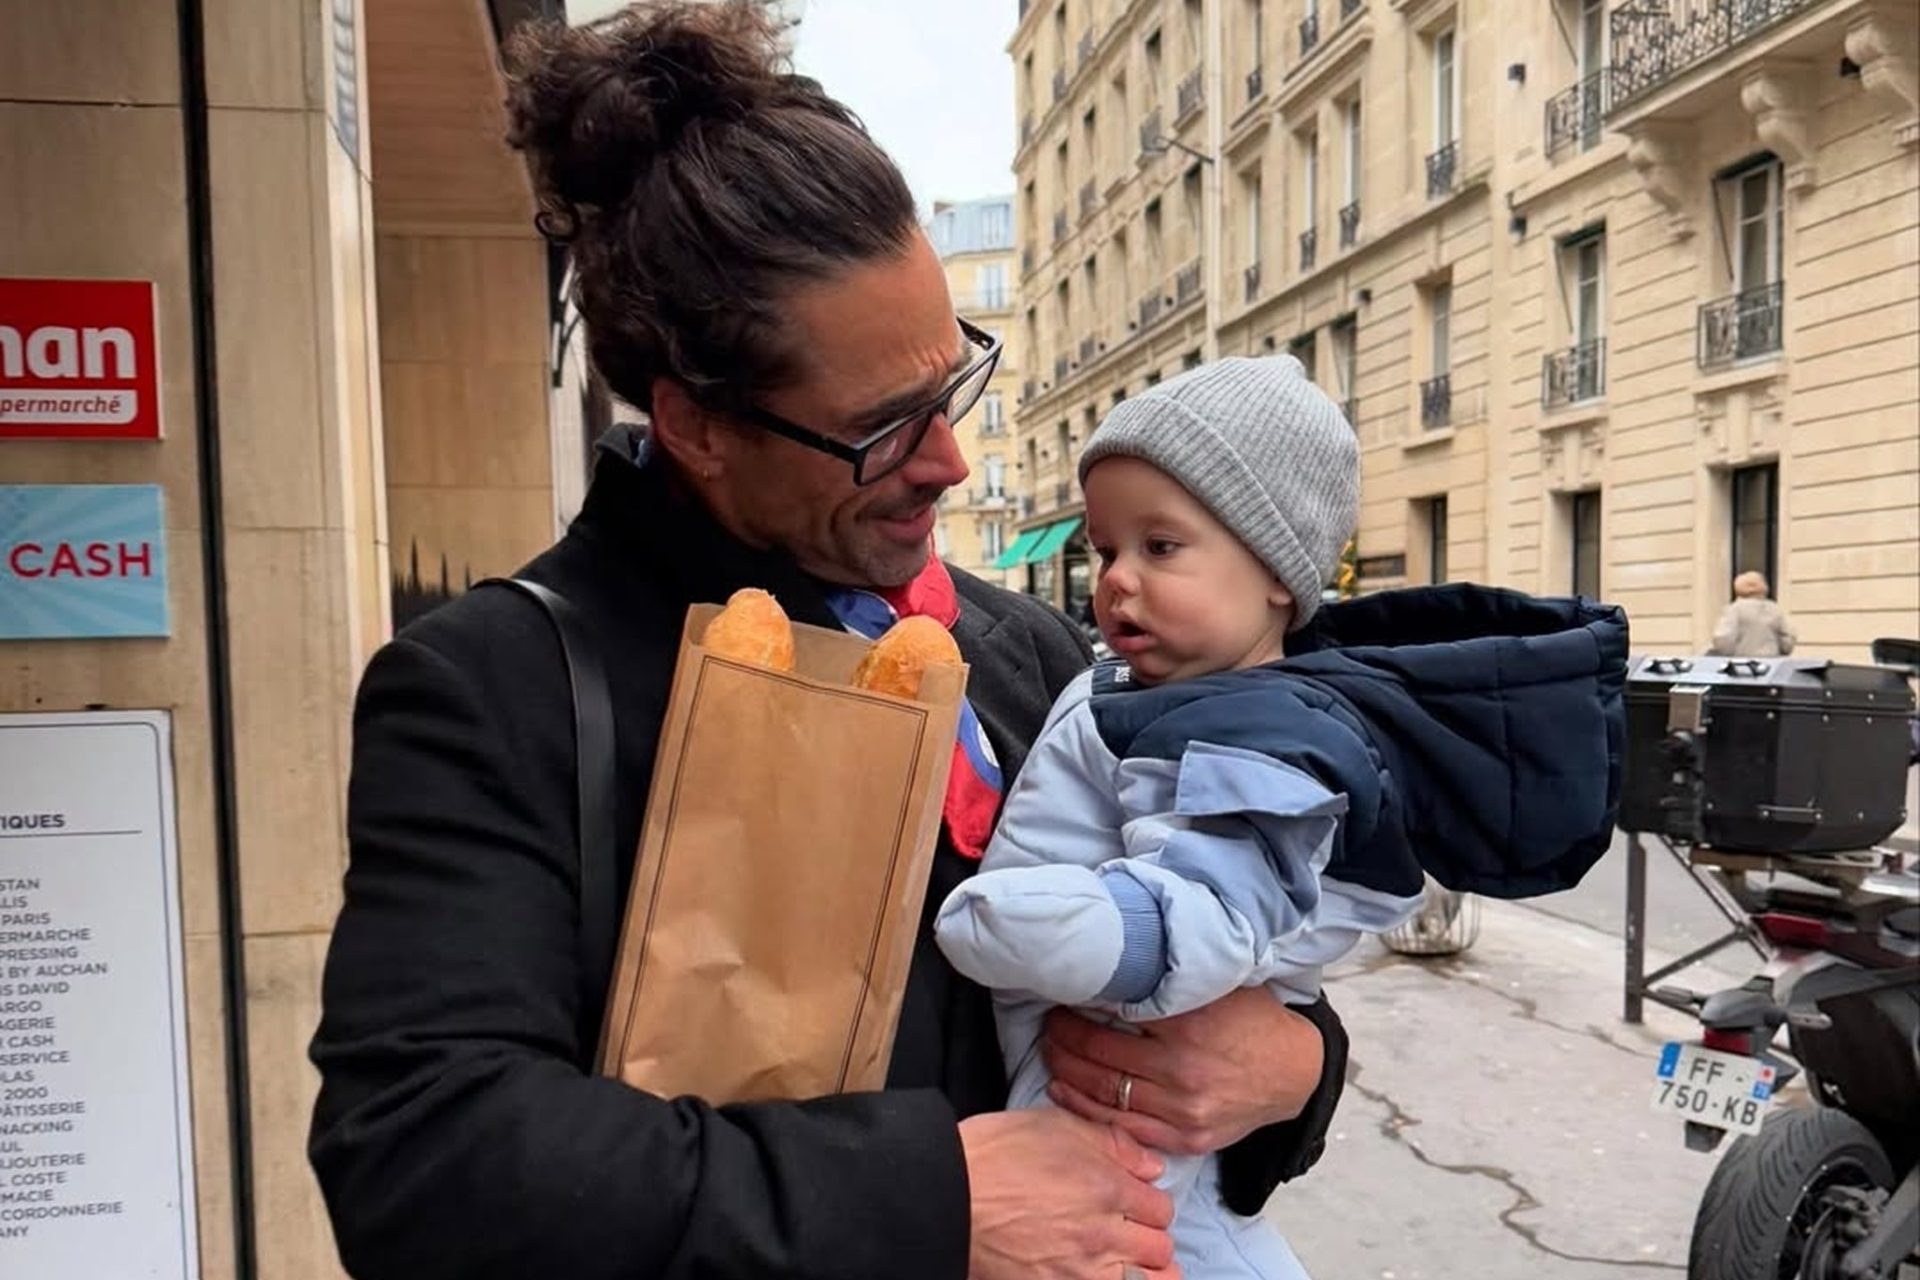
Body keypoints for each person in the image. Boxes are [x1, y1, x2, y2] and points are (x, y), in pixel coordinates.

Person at [306, 6, 1346, 1279]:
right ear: (697, 425)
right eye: (882, 427)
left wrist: (1293, 1065)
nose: (951, 460)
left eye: (953, 381)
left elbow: (1220, 904)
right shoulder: (496, 685)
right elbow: (421, 1159)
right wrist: (931, 1202)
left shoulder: (1028, 651)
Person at [934, 357, 1629, 1279]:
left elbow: (1213, 914)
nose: (1116, 581)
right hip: (1068, 1105)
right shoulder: (1149, 687)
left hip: (1100, 1106)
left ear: (1276, 574)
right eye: (1105, 551)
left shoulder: (1256, 733)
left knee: (1147, 1233)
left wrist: (1071, 931)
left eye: (1161, 547)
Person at [1710, 571, 1796, 657]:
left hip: (1742, 664)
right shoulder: (1775, 610)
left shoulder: (1734, 610)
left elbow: (1723, 639)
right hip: (1771, 664)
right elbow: (1788, 641)